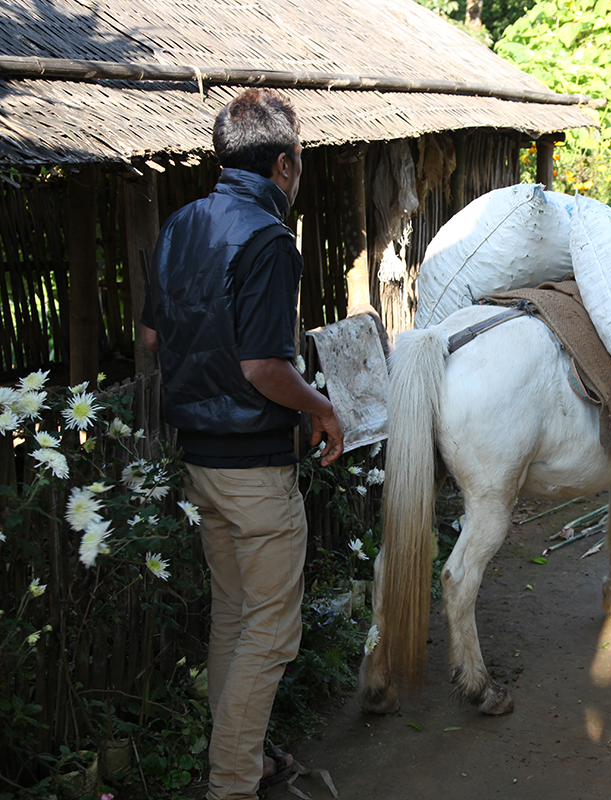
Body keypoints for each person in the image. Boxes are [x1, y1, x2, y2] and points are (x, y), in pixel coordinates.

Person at [139, 88, 344, 800]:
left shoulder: (180, 226)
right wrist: (322, 406)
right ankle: (231, 784)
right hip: (254, 472)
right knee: (271, 633)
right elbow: (262, 366)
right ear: (285, 164)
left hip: (199, 459)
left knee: (233, 616)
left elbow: (152, 338)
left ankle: (240, 760)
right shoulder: (267, 239)